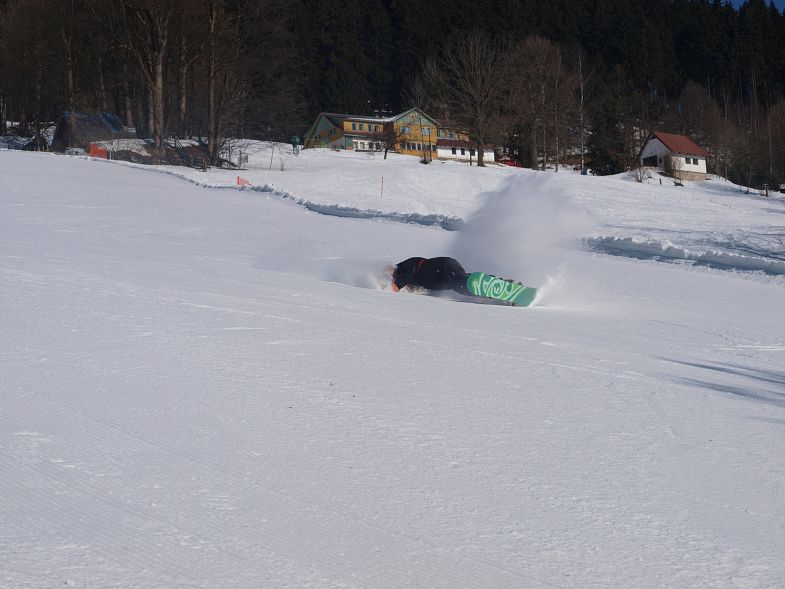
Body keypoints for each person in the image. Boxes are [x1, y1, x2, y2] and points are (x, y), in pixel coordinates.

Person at [390, 256, 470, 295]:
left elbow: (408, 275)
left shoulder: (406, 265)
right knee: (457, 286)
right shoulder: (406, 278)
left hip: (443, 266)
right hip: (438, 278)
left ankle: (473, 282)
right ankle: (474, 292)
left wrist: (397, 285)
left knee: (460, 280)